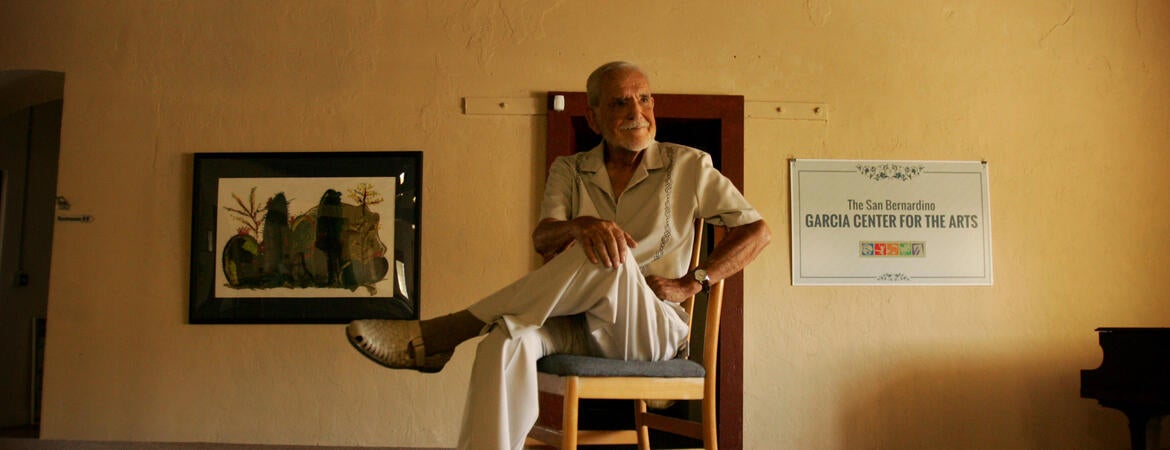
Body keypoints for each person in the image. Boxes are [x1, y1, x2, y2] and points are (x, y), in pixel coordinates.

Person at [346, 61, 771, 450]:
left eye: (643, 98)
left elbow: (757, 231)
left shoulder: (689, 166)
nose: (636, 110)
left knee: (608, 251)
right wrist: (579, 225)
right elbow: (545, 240)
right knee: (505, 341)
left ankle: (448, 332)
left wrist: (693, 282)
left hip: (651, 330)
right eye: (620, 101)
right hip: (580, 326)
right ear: (594, 117)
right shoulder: (570, 169)